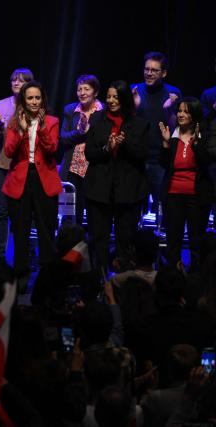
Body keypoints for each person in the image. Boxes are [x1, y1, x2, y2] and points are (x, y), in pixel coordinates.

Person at [85, 80, 148, 273]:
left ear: (125, 99)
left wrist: (125, 144)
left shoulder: (140, 123)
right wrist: (107, 148)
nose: (111, 100)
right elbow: (90, 153)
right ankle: (100, 280)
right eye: (109, 96)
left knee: (125, 238)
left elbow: (142, 155)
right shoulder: (96, 119)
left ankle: (123, 282)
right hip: (99, 189)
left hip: (127, 191)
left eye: (116, 97)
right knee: (99, 238)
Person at [3, 81, 61, 288]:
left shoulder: (52, 121)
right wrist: (21, 130)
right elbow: (8, 152)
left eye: (37, 98)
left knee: (46, 229)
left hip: (43, 179)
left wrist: (41, 128)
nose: (34, 102)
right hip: (21, 179)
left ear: (42, 99)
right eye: (30, 98)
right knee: (21, 230)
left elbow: (52, 147)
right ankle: (21, 275)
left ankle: (47, 278)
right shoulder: (13, 122)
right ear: (24, 101)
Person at [158, 97, 214, 270]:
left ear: (194, 115)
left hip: (197, 196)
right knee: (173, 239)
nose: (181, 114)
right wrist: (166, 143)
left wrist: (196, 143)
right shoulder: (172, 135)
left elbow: (206, 162)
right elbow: (164, 164)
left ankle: (195, 279)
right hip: (174, 194)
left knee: (197, 241)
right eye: (180, 111)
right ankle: (174, 275)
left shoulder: (203, 136)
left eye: (186, 111)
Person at [0, 68, 34, 260]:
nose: (16, 83)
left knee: (24, 212)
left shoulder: (33, 104)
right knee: (0, 211)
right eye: (13, 80)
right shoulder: (0, 105)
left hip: (24, 165)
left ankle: (25, 255)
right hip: (1, 164)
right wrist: (0, 127)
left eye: (21, 80)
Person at [131, 52, 182, 217]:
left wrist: (168, 110)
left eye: (154, 70)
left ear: (164, 73)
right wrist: (134, 108)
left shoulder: (173, 93)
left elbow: (177, 128)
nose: (149, 73)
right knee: (135, 205)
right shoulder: (135, 90)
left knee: (162, 204)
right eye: (147, 69)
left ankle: (161, 237)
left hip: (159, 159)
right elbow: (127, 125)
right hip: (136, 157)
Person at [59, 74, 104, 226]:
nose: (82, 92)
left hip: (94, 168)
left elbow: (104, 141)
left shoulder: (103, 112)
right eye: (79, 89)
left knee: (94, 213)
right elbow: (63, 138)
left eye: (87, 89)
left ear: (95, 92)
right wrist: (79, 132)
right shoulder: (70, 110)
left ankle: (90, 247)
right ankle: (68, 246)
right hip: (71, 168)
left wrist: (89, 132)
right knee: (68, 212)